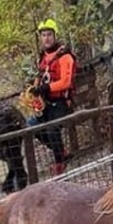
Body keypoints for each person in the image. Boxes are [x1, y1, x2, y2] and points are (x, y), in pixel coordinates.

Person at [28, 18, 77, 176]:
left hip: (63, 103)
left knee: (51, 128)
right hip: (47, 103)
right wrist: (35, 90)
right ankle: (61, 151)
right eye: (43, 35)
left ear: (55, 36)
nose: (46, 38)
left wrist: (47, 88)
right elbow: (40, 75)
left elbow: (66, 82)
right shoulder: (42, 57)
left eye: (49, 34)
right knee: (31, 125)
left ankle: (59, 162)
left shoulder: (65, 56)